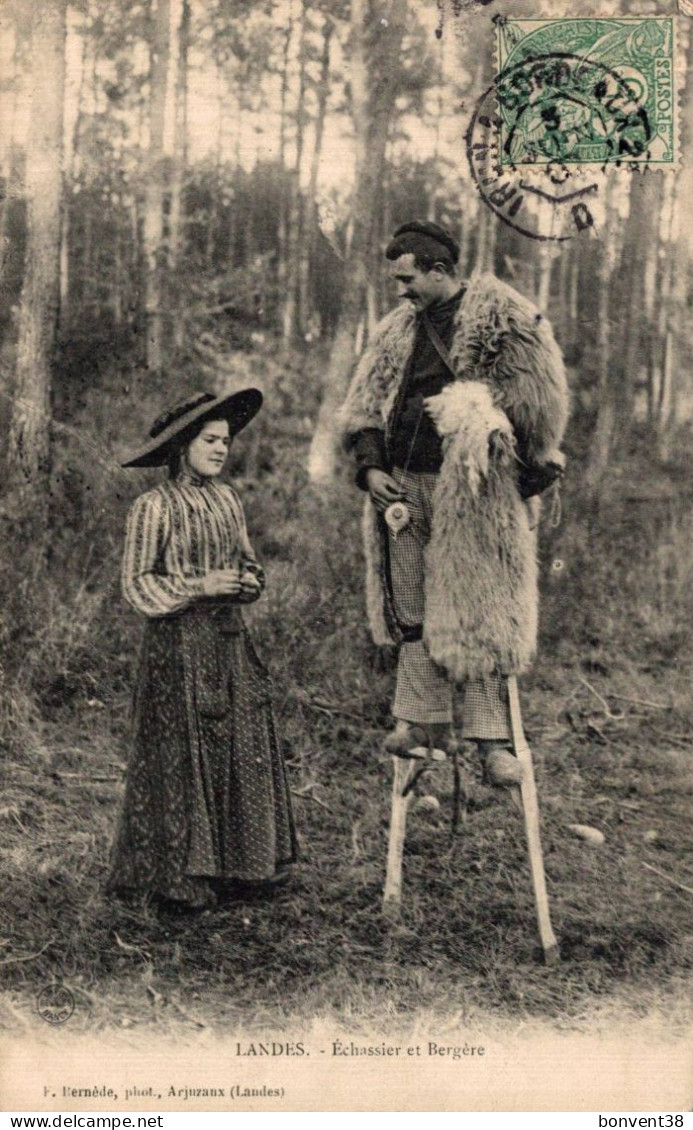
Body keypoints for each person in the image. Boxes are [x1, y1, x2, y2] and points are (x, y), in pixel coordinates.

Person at [338, 220, 569, 783]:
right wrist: (370, 468)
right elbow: (364, 406)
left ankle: (492, 744)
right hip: (405, 487)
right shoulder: (395, 331)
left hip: (476, 493)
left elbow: (539, 413)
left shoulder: (504, 322)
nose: (402, 290)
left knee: (482, 609)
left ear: (440, 271)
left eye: (409, 278)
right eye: (397, 280)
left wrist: (479, 422)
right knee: (413, 607)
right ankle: (421, 724)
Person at [107, 389, 296, 910]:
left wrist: (249, 582)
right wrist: (199, 586)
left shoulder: (228, 499)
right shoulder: (153, 507)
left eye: (226, 442)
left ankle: (243, 869)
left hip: (229, 642)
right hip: (177, 647)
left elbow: (249, 561)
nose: (220, 450)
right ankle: (174, 880)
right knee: (180, 754)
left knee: (240, 745)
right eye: (210, 440)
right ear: (183, 445)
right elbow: (138, 584)